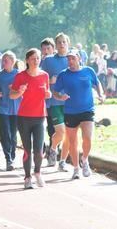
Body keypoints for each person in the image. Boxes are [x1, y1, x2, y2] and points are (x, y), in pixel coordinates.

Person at [53, 49, 105, 179]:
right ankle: (76, 168)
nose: (70, 61)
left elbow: (97, 83)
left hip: (87, 110)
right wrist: (60, 97)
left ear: (79, 59)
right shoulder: (63, 75)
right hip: (70, 112)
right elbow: (55, 92)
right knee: (72, 141)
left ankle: (85, 159)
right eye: (68, 59)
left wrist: (101, 94)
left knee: (87, 138)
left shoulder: (88, 71)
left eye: (73, 58)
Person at [10, 48, 51, 189]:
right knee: (27, 149)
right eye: (33, 58)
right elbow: (11, 95)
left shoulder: (45, 75)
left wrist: (48, 94)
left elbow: (47, 92)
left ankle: (38, 173)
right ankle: (27, 178)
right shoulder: (21, 76)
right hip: (24, 118)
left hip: (40, 117)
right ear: (27, 60)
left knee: (39, 150)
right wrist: (19, 91)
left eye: (38, 58)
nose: (36, 61)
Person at [41, 33, 70, 171]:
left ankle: (62, 161)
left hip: (71, 103)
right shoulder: (48, 60)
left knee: (70, 134)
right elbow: (39, 78)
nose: (62, 44)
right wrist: (49, 81)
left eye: (64, 42)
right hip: (55, 102)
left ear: (68, 43)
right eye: (59, 42)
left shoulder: (73, 59)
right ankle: (53, 149)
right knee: (61, 132)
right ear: (56, 45)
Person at [0, 51, 21, 171]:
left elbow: (24, 90)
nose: (3, 62)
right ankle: (8, 158)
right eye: (2, 60)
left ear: (12, 62)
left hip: (16, 109)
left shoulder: (19, 75)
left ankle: (13, 156)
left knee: (13, 134)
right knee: (5, 134)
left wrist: (15, 89)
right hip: (3, 108)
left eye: (6, 60)